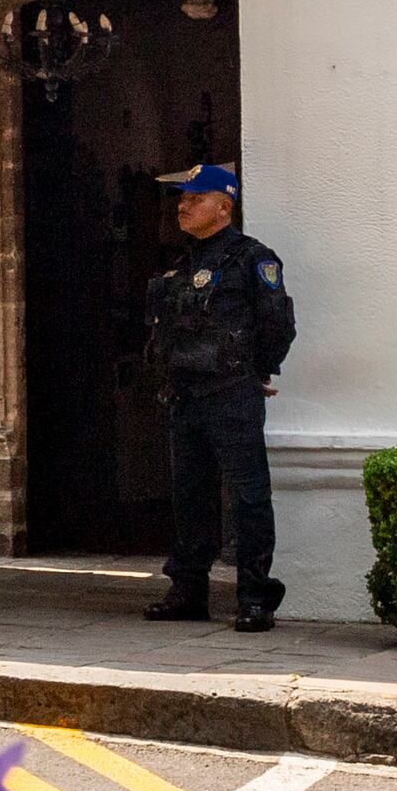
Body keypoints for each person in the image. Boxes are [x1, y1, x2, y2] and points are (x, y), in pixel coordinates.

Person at [140, 160, 293, 625]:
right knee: (189, 496)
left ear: (223, 207)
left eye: (194, 199)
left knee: (247, 497)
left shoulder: (252, 259)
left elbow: (277, 326)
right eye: (182, 199)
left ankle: (253, 597)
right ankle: (188, 589)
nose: (183, 207)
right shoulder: (185, 264)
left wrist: (256, 371)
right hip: (185, 395)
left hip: (231, 394)